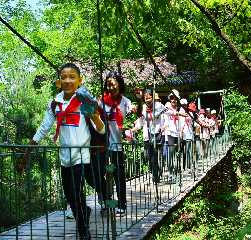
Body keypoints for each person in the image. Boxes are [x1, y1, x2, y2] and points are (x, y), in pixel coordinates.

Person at [28, 63, 105, 240]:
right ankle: (84, 211)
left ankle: (83, 230)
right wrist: (30, 146)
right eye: (64, 77)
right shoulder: (55, 103)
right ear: (58, 82)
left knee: (77, 193)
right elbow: (45, 126)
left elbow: (100, 130)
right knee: (70, 196)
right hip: (65, 157)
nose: (68, 80)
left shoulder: (83, 101)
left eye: (72, 77)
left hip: (82, 155)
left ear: (80, 81)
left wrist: (93, 114)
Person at [98, 71, 134, 215]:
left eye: (113, 84)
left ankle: (121, 204)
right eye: (108, 85)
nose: (110, 87)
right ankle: (108, 204)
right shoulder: (101, 101)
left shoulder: (126, 102)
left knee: (118, 175)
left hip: (116, 145)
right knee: (104, 176)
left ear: (119, 84)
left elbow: (132, 120)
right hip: (102, 146)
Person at [130, 89, 166, 183]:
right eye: (146, 97)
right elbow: (141, 122)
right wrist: (132, 130)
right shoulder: (143, 107)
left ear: (153, 97)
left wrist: (163, 128)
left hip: (156, 134)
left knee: (155, 156)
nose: (147, 98)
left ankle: (156, 176)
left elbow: (163, 114)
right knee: (148, 157)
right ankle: (156, 171)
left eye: (149, 96)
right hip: (146, 135)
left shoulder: (158, 106)